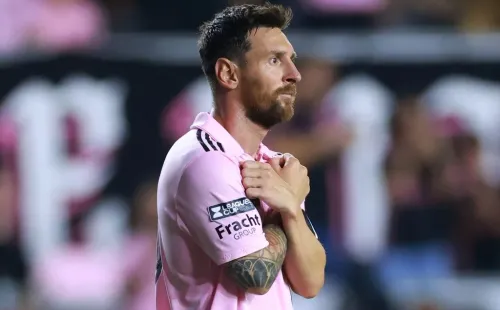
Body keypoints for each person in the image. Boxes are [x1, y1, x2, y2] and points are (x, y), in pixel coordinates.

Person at [155, 3, 326, 310]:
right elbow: (256, 274)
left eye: (292, 60)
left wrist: (291, 209)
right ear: (229, 74)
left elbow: (310, 282)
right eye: (275, 60)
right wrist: (283, 203)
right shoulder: (203, 160)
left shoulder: (272, 166)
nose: (295, 75)